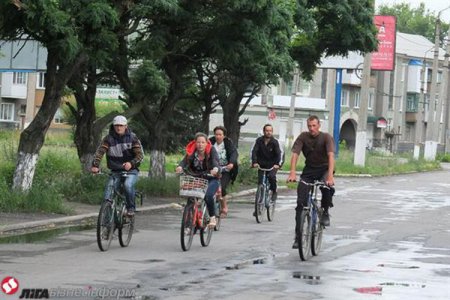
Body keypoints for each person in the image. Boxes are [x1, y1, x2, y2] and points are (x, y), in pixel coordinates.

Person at [287, 115, 335, 249]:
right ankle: (298, 237)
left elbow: (331, 156)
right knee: (300, 204)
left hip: (325, 169)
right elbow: (295, 154)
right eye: (309, 126)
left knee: (326, 188)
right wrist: (292, 172)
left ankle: (325, 211)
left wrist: (330, 176)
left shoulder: (326, 137)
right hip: (309, 170)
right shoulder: (303, 136)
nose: (312, 128)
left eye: (314, 126)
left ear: (319, 125)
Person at [91, 115, 144, 216]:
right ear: (113, 126)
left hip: (131, 171)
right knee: (107, 195)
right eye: (116, 125)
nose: (118, 128)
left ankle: (130, 208)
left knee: (128, 185)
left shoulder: (133, 138)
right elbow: (100, 152)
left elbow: (140, 155)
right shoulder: (108, 139)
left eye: (121, 125)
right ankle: (106, 225)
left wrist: (131, 163)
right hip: (115, 171)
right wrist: (95, 165)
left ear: (126, 126)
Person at [176, 132, 220, 228]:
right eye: (198, 142)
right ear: (195, 143)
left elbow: (215, 161)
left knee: (208, 196)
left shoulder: (211, 150)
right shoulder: (192, 151)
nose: (200, 144)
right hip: (196, 178)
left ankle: (212, 217)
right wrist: (180, 167)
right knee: (191, 198)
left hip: (211, 179)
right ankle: (188, 225)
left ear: (206, 143)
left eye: (203, 142)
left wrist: (215, 169)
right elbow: (184, 161)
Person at [209, 126, 239, 218]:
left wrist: (231, 163)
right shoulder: (210, 142)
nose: (218, 136)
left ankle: (224, 207)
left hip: (225, 170)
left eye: (220, 134)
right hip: (213, 169)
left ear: (224, 136)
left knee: (221, 186)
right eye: (216, 134)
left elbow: (234, 153)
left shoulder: (228, 143)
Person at [251, 124, 284, 205]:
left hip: (272, 165)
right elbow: (254, 151)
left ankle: (274, 191)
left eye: (270, 131)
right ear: (264, 131)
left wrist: (277, 164)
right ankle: (259, 202)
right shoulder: (259, 141)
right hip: (261, 164)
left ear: (272, 132)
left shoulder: (275, 142)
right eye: (267, 131)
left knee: (271, 177)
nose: (268, 132)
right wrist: (254, 162)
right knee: (260, 182)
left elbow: (279, 154)